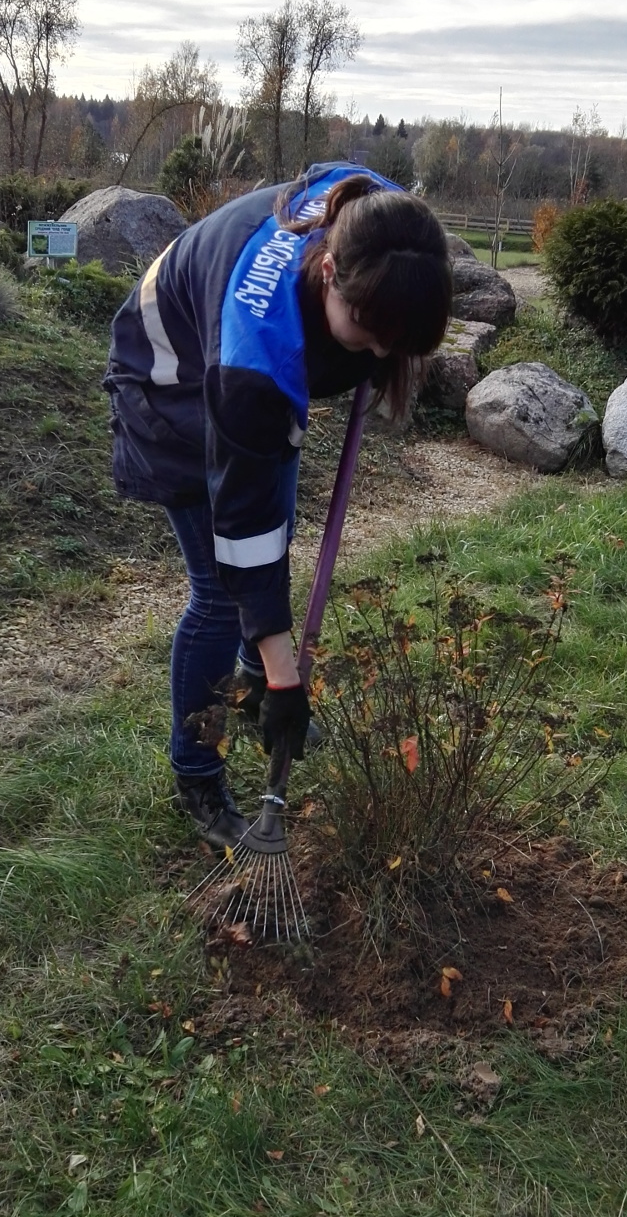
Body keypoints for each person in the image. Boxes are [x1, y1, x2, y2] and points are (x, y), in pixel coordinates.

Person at [104, 164, 452, 847]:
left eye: (396, 338)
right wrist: (289, 676)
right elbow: (243, 531)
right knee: (219, 589)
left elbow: (268, 520)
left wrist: (274, 665)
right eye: (368, 328)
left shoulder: (377, 215)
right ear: (328, 273)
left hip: (245, 368)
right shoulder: (254, 357)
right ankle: (198, 774)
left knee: (273, 540)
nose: (382, 350)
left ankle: (253, 680)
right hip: (169, 384)